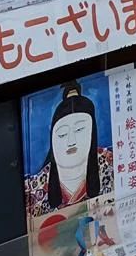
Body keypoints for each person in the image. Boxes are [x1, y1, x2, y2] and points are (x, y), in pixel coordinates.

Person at [23, 82, 110, 217]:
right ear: (52, 139)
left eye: (80, 129)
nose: (71, 142)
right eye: (62, 134)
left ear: (92, 133)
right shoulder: (34, 188)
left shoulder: (110, 164)